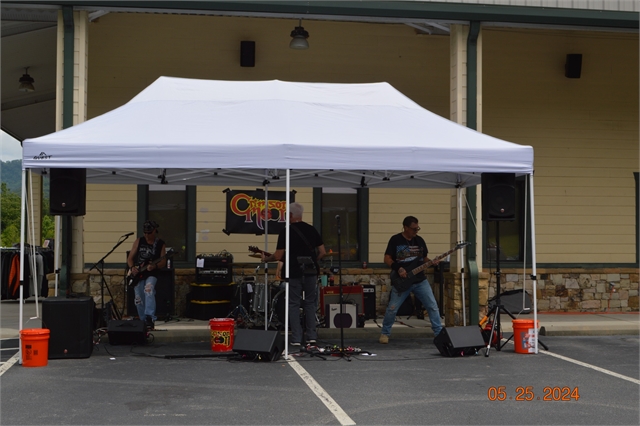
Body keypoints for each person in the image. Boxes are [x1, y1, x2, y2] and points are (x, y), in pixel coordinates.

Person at [262, 202, 326, 346]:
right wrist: (312, 261)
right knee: (310, 304)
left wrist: (266, 259)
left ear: (290, 215)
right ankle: (311, 337)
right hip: (310, 272)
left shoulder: (286, 231)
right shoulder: (312, 229)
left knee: (293, 304)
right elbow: (322, 252)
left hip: (293, 272)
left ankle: (296, 338)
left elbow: (278, 256)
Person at [380, 216, 442, 344]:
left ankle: (439, 334)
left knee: (432, 306)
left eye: (417, 228)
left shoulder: (419, 241)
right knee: (392, 308)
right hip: (402, 281)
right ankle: (385, 333)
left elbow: (424, 258)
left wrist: (432, 262)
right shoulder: (395, 240)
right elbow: (387, 258)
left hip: (420, 280)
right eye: (414, 229)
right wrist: (398, 268)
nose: (416, 231)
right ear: (405, 227)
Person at [127, 220, 167, 330]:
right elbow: (130, 258)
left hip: (152, 272)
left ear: (155, 231)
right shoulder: (139, 241)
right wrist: (132, 268)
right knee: (138, 298)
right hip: (139, 272)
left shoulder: (160, 244)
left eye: (149, 233)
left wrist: (155, 266)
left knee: (148, 289)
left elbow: (163, 262)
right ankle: (142, 320)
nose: (147, 235)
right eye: (145, 233)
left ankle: (150, 318)